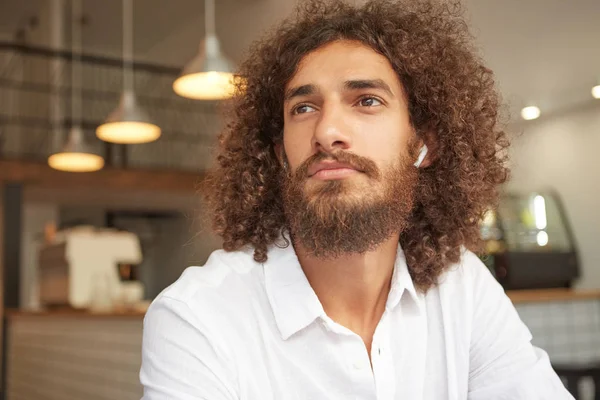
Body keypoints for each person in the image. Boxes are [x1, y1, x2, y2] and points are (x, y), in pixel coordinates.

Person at [140, 0, 573, 399]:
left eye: (366, 100)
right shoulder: (198, 318)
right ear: (280, 155)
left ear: (423, 143)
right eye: (304, 108)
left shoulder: (461, 290)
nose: (327, 131)